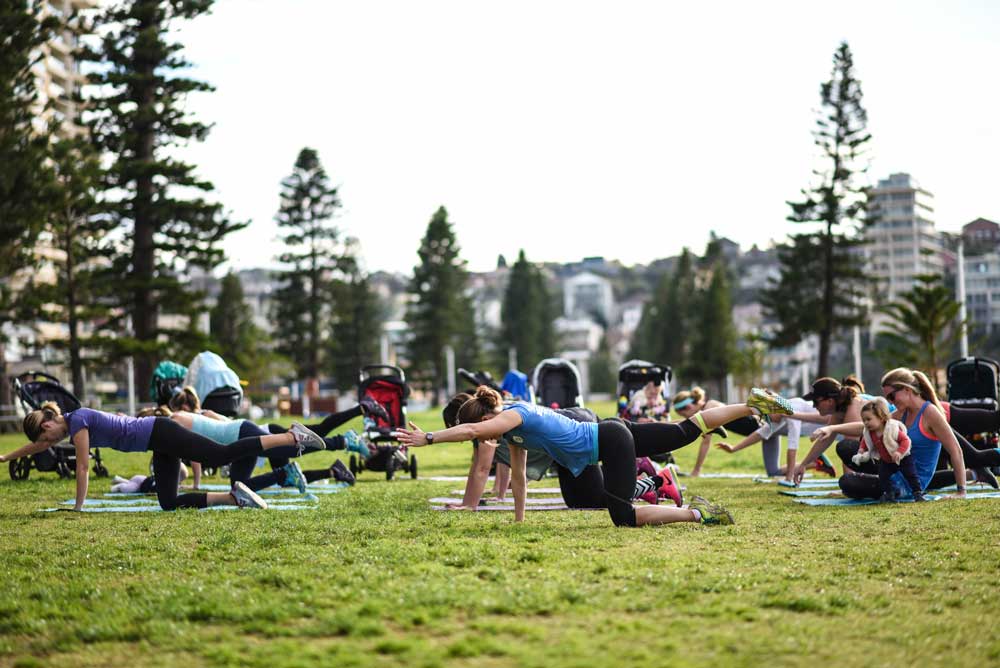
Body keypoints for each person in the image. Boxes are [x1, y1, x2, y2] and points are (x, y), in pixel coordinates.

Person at [399, 386, 794, 527]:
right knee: (681, 430)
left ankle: (698, 513)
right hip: (606, 434)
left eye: (485, 427)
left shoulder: (513, 415)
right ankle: (750, 403)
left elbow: (471, 430)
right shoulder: (515, 427)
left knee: (622, 517)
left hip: (607, 442)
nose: (484, 436)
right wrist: (518, 522)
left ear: (488, 416)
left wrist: (429, 437)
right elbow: (517, 477)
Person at [2, 402, 325, 511]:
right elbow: (37, 446)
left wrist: (78, 506)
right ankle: (233, 498)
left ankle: (290, 436)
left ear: (47, 424)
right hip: (157, 444)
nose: (48, 442)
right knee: (168, 502)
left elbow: (83, 467)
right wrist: (5, 458)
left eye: (45, 435)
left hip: (159, 431)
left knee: (221, 454)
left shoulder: (78, 422)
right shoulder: (67, 425)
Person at [442, 394, 683, 510]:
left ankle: (656, 480)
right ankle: (645, 477)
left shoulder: (488, 426)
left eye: (459, 431)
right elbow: (511, 469)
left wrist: (468, 505)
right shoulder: (498, 419)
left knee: (601, 499)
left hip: (577, 433)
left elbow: (482, 470)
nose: (463, 436)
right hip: (573, 433)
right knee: (580, 501)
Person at [804, 368, 967, 499]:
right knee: (846, 448)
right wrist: (832, 428)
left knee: (847, 482)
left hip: (908, 484)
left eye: (892, 396)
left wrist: (961, 491)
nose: (890, 401)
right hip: (893, 470)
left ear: (907, 389)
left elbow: (956, 451)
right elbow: (868, 426)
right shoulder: (902, 413)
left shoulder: (930, 413)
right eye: (887, 397)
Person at [714, 396, 829, 481]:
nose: (765, 419)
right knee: (773, 472)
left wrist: (789, 477)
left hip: (828, 424)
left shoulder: (791, 409)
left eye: (766, 416)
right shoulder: (778, 413)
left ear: (773, 409)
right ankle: (816, 463)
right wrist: (734, 449)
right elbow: (760, 433)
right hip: (821, 427)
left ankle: (816, 462)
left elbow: (792, 447)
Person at [672, 387, 759, 477]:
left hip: (761, 425)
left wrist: (696, 470)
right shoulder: (707, 407)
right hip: (758, 429)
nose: (687, 418)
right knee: (772, 472)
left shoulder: (709, 408)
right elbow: (683, 423)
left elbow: (706, 442)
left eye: (684, 415)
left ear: (689, 407)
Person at [852, 398, 925, 502]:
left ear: (881, 418)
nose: (866, 423)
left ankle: (917, 493)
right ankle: (889, 493)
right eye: (864, 420)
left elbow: (906, 440)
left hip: (902, 458)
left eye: (869, 419)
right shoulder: (869, 432)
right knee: (883, 476)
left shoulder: (892, 428)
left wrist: (899, 452)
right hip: (886, 460)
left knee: (911, 475)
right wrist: (861, 450)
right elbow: (865, 441)